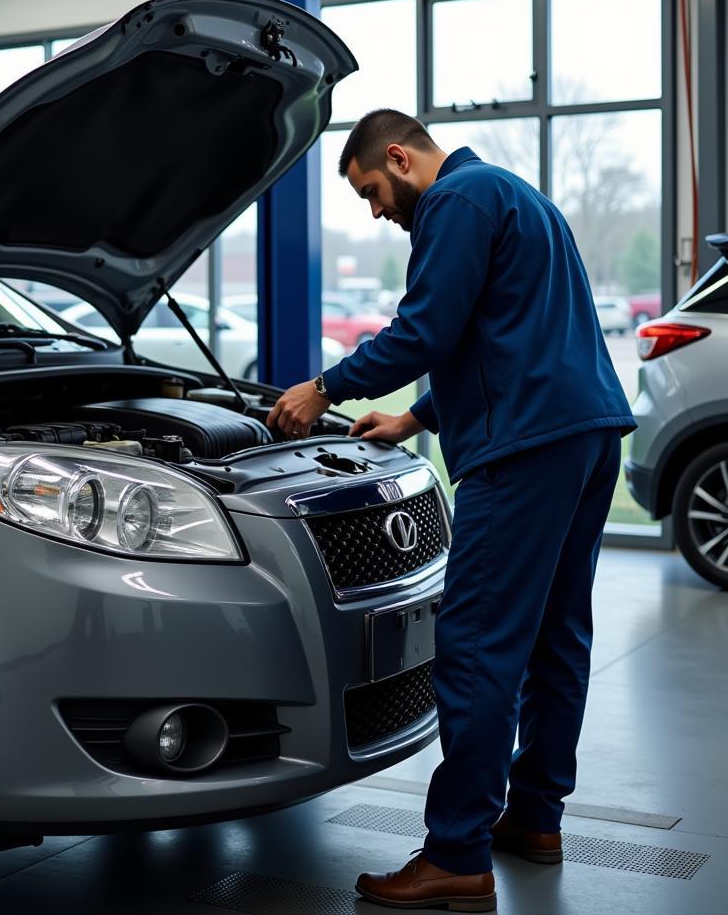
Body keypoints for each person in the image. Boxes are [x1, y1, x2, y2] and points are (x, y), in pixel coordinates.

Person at [266, 109, 636, 911]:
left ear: (398, 157)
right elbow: (503, 333)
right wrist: (416, 418)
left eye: (371, 190)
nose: (375, 210)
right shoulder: (514, 195)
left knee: (473, 643)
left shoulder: (455, 203)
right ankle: (536, 817)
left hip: (525, 448)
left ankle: (457, 852)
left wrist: (323, 387)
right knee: (557, 634)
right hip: (584, 432)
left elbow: (426, 330)